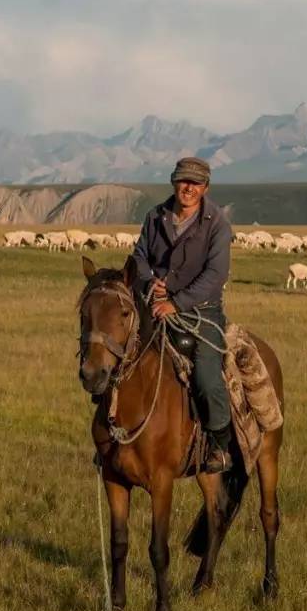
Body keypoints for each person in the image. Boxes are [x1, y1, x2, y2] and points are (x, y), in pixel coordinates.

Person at [130, 156, 234, 473]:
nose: (187, 188)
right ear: (174, 182)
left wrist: (176, 302)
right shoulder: (155, 216)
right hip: (154, 303)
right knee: (120, 358)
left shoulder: (216, 223)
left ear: (205, 187)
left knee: (205, 374)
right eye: (182, 181)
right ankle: (116, 435)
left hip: (201, 312)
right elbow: (139, 256)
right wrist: (150, 282)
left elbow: (215, 275)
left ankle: (219, 443)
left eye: (195, 183)